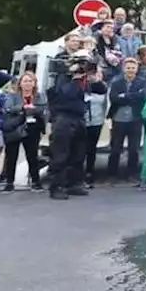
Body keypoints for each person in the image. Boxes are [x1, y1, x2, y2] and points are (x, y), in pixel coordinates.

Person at [46, 51, 107, 200]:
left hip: (79, 118)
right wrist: (75, 78)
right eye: (82, 64)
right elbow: (67, 94)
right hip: (63, 118)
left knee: (78, 153)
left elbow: (102, 90)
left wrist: (94, 79)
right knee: (61, 153)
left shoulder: (85, 80)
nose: (84, 68)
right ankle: (57, 186)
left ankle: (73, 183)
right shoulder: (63, 77)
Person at [0, 72, 47, 192]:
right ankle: (9, 182)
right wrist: (23, 108)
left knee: (32, 156)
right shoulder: (13, 96)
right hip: (16, 127)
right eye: (25, 81)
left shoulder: (39, 96)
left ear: (34, 83)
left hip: (33, 128)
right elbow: (8, 109)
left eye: (31, 81)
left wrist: (35, 111)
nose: (28, 84)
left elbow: (43, 110)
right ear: (20, 83)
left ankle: (35, 181)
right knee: (11, 156)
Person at [106, 58, 146, 184]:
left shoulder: (142, 82)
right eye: (128, 68)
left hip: (135, 119)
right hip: (118, 119)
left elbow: (143, 97)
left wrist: (124, 96)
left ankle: (132, 174)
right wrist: (132, 96)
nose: (130, 70)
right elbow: (114, 99)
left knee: (133, 149)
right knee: (115, 148)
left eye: (133, 68)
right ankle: (112, 175)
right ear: (124, 69)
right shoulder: (116, 82)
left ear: (137, 69)